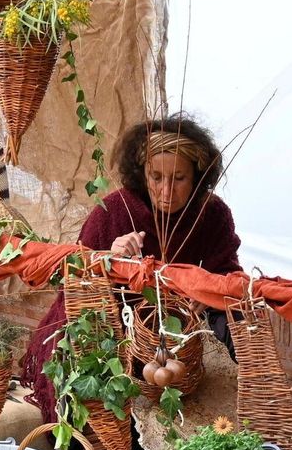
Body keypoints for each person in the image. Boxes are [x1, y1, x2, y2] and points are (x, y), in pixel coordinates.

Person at [19, 115, 242, 434]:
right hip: (108, 336)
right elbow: (77, 285)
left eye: (178, 178)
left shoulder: (212, 215)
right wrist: (109, 259)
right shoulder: (113, 212)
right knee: (94, 406)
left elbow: (228, 277)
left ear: (198, 176)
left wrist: (204, 293)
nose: (166, 190)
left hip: (174, 342)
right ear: (141, 174)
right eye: (156, 177)